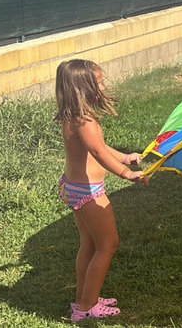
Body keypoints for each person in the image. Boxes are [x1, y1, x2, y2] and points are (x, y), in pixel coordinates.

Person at [55, 59, 149, 322]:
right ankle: (87, 309)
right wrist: (127, 174)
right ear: (83, 88)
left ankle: (84, 300)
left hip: (74, 187)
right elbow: (97, 152)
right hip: (88, 193)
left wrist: (124, 157)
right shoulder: (84, 120)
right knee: (108, 245)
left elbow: (100, 147)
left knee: (90, 244)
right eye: (98, 81)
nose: (103, 85)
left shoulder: (74, 116)